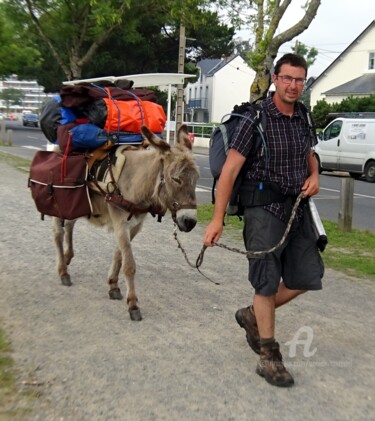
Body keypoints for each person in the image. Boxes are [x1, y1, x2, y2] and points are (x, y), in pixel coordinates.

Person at [203, 53, 324, 388]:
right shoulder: (256, 118)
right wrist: (216, 220)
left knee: (306, 278)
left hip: (297, 209)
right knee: (266, 283)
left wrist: (314, 175)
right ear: (275, 77)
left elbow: (309, 155)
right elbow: (229, 171)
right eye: (287, 78)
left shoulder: (303, 116)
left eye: (299, 80)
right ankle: (269, 357)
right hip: (263, 212)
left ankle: (253, 314)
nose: (293, 85)